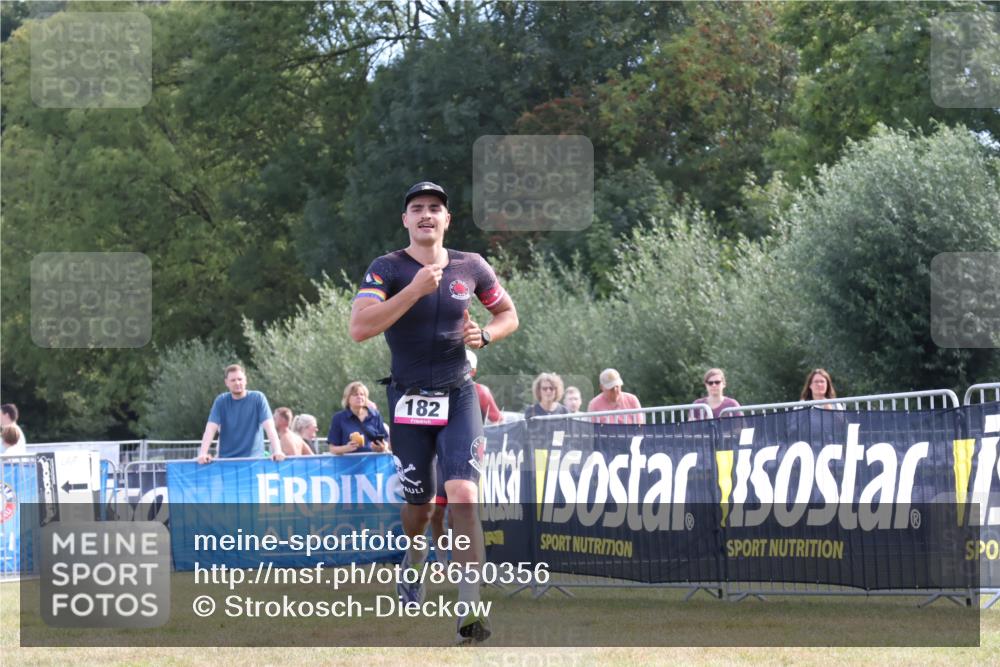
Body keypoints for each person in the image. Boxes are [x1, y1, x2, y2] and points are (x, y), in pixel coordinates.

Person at [349, 181, 518, 644]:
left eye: (435, 209)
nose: (426, 214)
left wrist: (486, 335)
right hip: (407, 398)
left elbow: (509, 315)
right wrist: (415, 291)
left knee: (463, 494)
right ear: (405, 220)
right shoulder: (388, 268)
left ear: (447, 220)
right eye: (417, 208)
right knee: (420, 510)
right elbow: (360, 328)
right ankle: (415, 556)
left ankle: (470, 608)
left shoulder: (472, 266)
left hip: (459, 393)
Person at [196, 365, 285, 464]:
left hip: (254, 462)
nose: (237, 383)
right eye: (233, 380)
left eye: (240, 379)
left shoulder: (258, 398)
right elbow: (210, 428)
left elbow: (270, 427)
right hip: (226, 462)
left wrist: (277, 450)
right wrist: (203, 453)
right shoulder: (221, 401)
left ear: (245, 380)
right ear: (226, 382)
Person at [327, 382, 389, 455]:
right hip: (349, 464)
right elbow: (332, 449)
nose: (359, 397)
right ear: (347, 398)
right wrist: (346, 448)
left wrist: (383, 447)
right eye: (355, 394)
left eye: (362, 394)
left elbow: (385, 440)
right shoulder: (339, 418)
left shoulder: (375, 415)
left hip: (373, 462)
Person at [467, 350, 502, 426]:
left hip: (472, 436)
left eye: (465, 367)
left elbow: (498, 421)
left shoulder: (481, 391)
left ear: (473, 371)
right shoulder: (440, 389)